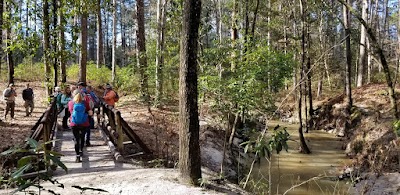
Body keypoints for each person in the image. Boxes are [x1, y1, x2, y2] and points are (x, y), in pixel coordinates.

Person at [68, 89, 91, 163]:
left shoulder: (70, 103)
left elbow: (70, 112)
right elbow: (89, 111)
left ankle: (77, 156)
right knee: (82, 137)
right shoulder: (85, 103)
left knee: (76, 139)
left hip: (74, 123)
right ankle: (81, 151)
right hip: (84, 123)